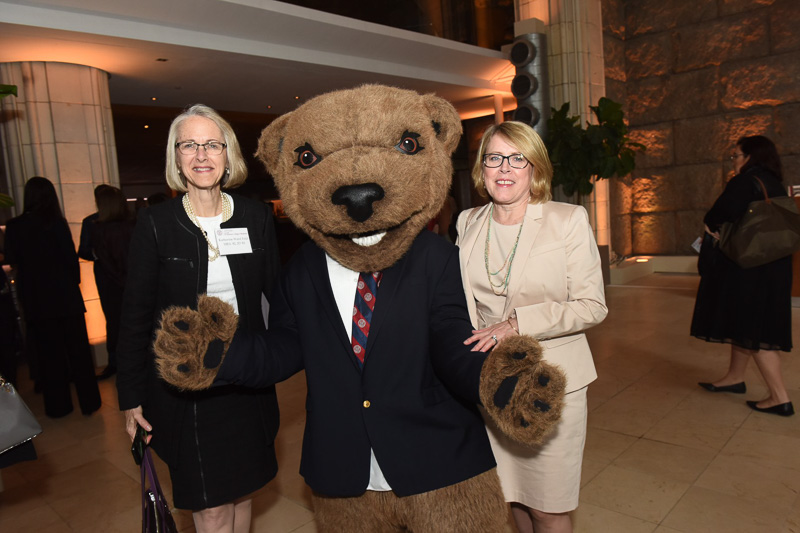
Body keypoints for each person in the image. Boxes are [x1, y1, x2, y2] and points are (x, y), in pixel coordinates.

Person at [116, 104, 281, 532]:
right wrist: (130, 398)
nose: (201, 155)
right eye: (189, 145)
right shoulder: (156, 224)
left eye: (212, 144)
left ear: (228, 156)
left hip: (246, 379)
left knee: (243, 492)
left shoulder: (256, 217)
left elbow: (279, 301)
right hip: (185, 388)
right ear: (176, 157)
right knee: (209, 507)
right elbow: (135, 315)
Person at [456, 121, 607, 533]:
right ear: (482, 170)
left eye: (517, 158)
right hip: (491, 382)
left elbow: (592, 305)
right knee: (513, 496)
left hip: (550, 386)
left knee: (548, 506)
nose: (504, 168)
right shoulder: (468, 222)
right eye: (494, 158)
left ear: (534, 168)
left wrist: (518, 323)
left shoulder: (567, 220)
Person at [692, 135, 794, 416]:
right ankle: (734, 378)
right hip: (771, 264)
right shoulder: (773, 182)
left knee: (756, 330)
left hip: (750, 269)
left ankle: (779, 397)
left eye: (736, 155)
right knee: (745, 324)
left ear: (750, 157)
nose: (734, 161)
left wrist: (711, 225)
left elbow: (718, 214)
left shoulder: (745, 181)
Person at [4, 177, 102, 418]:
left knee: (50, 356)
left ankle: (58, 407)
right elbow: (71, 260)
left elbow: (11, 259)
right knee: (79, 352)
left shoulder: (15, 226)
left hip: (38, 300)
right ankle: (90, 402)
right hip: (66, 297)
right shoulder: (57, 224)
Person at [80, 185, 135, 379]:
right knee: (113, 320)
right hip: (109, 279)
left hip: (124, 277)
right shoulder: (91, 223)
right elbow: (83, 250)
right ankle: (115, 362)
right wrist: (100, 255)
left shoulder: (131, 221)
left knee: (128, 319)